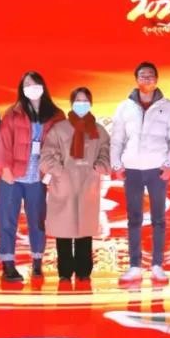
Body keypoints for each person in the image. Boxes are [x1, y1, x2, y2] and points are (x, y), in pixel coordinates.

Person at [111, 62, 170, 284]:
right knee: (134, 218)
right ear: (136, 80)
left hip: (157, 168)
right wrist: (116, 164)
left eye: (150, 75)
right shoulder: (124, 107)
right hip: (132, 168)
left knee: (159, 218)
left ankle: (157, 265)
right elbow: (117, 138)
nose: (147, 79)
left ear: (157, 79)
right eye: (142, 75)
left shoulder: (169, 107)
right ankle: (135, 266)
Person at [0, 71, 65, 283]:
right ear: (22, 89)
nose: (31, 87)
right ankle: (8, 265)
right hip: (13, 177)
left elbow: (62, 145)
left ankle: (37, 262)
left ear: (43, 86)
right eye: (27, 84)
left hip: (38, 177)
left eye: (35, 83)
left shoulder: (56, 115)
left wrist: (52, 172)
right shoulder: (13, 113)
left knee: (38, 221)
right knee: (7, 220)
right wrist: (4, 169)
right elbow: (3, 141)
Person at [41, 87, 111, 283]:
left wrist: (98, 167)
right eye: (78, 101)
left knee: (84, 229)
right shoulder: (59, 129)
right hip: (64, 183)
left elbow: (106, 152)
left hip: (88, 184)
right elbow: (47, 156)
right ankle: (64, 271)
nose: (82, 104)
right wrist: (60, 172)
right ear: (72, 103)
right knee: (64, 229)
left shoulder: (99, 130)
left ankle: (83, 270)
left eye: (85, 101)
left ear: (91, 103)